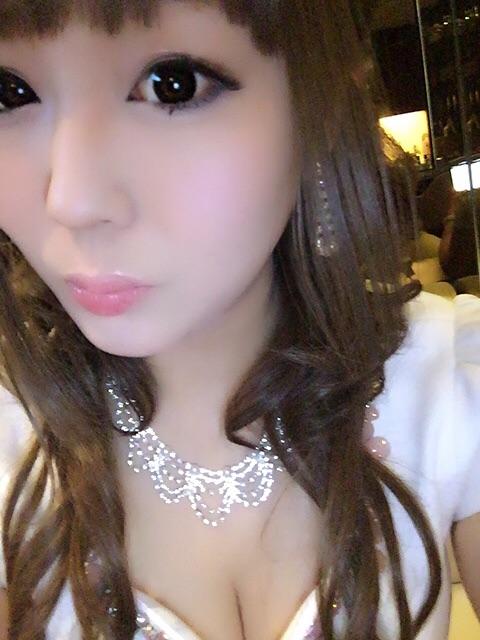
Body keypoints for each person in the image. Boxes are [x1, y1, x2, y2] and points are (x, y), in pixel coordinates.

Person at [0, 2, 478, 639]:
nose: (73, 201)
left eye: (173, 84)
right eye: (10, 92)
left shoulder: (447, 381)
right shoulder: (13, 444)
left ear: (322, 108)